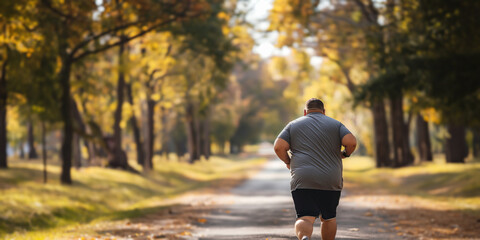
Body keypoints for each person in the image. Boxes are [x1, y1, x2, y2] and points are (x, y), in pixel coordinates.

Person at [273, 98, 357, 240]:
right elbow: (351, 142)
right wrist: (345, 154)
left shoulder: (293, 125)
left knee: (305, 217)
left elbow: (278, 146)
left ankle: (305, 237)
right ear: (324, 112)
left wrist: (288, 161)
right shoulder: (336, 124)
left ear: (305, 112)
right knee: (329, 218)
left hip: (303, 178)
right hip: (330, 179)